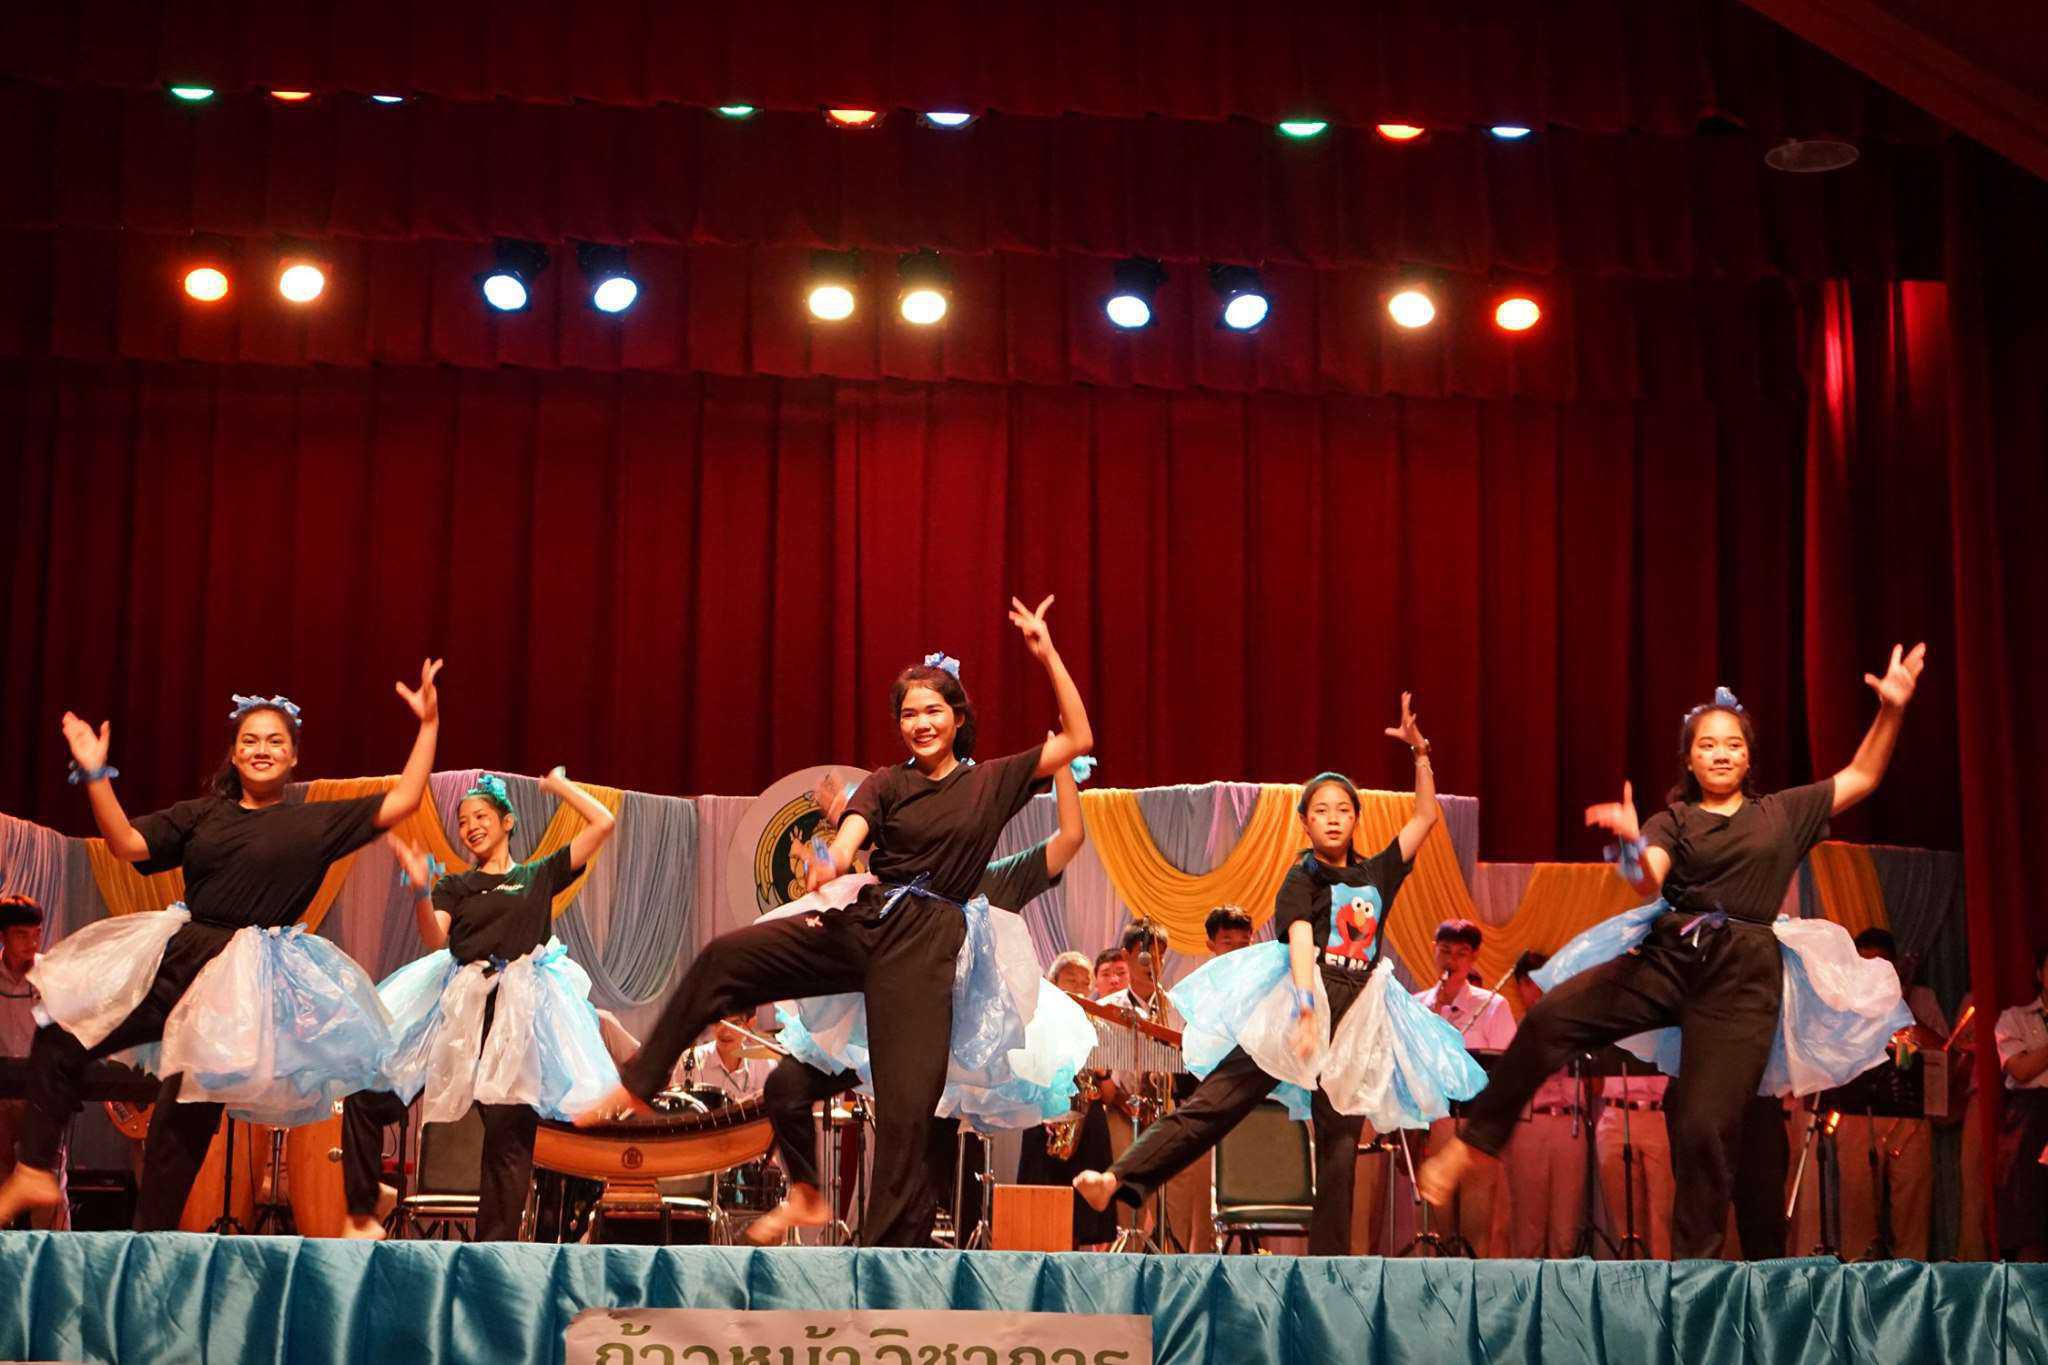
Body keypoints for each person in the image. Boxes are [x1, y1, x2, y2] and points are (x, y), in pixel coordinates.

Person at [582, 596, 1093, 1248]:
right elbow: (849, 837)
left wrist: (1046, 651)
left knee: (907, 1119)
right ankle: (638, 1084)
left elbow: (1077, 740)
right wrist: (828, 860)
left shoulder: (991, 781)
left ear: (958, 717)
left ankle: (879, 1259)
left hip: (926, 950)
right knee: (724, 957)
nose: (920, 723)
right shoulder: (885, 783)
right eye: (908, 714)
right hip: (868, 921)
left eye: (932, 710)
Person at [1421, 649, 1928, 1259]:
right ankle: (1478, 1142)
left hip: (1743, 979)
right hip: (1672, 954)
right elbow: (1648, 877)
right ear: (1689, 759)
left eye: (1733, 744)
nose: (1721, 753)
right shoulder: (1675, 820)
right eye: (1707, 744)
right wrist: (1633, 847)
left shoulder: (1782, 814)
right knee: (1552, 1015)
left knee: (1703, 1127)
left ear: (1749, 757)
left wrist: (1891, 711)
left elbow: (1862, 777)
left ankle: (1695, 1271)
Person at [0, 669, 443, 1229]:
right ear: (234, 754)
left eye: (275, 741)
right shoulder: (203, 815)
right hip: (181, 952)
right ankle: (34, 1169)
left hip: (241, 980)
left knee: (184, 1112)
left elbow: (404, 798)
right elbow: (127, 844)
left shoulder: (315, 822)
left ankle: (150, 1238)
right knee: (61, 1030)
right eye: (249, 740)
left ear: (293, 757)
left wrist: (429, 724)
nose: (262, 749)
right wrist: (94, 775)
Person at [1074, 694, 1485, 1255]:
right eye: (1321, 810)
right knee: (1216, 1102)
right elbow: (1300, 941)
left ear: (1356, 818)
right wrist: (1307, 1009)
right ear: (1305, 822)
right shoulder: (1303, 876)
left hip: (1359, 1017)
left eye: (1343, 809)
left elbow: (1425, 817)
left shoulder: (1378, 873)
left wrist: (1421, 753)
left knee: (1340, 1150)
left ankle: (1330, 1269)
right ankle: (1118, 1178)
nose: (1333, 817)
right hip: (1299, 1003)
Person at [749, 751, 1090, 1244]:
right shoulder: (901, 872)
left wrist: (1062, 762)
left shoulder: (999, 878)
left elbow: (1071, 838)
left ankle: (894, 1263)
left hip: (943, 1044)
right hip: (877, 1021)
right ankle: (807, 1194)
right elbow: (858, 847)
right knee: (785, 1087)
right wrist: (839, 822)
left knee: (919, 1174)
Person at [339, 767, 617, 1241]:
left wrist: (560, 786)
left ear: (507, 822)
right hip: (460, 1009)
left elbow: (603, 823)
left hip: (516, 1015)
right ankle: (366, 1203)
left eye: (481, 816)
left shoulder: (537, 875)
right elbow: (435, 938)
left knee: (508, 1137)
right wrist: (421, 891)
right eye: (464, 821)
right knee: (367, 1095)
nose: (471, 827)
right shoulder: (456, 886)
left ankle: (494, 1251)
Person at [1785, 926, 1944, 1258]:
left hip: (1911, 1119)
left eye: (1880, 964)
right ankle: (1860, 1277)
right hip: (1856, 1115)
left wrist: (1900, 1007)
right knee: (1858, 1210)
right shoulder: (1842, 1001)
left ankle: (1913, 1276)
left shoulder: (1921, 998)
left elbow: (1941, 1050)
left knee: (1912, 1210)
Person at [1405, 918, 1516, 1255]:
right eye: (1445, 951)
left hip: (1475, 1128)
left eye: (1461, 953)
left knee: (1475, 1230)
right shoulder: (1416, 1005)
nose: (1451, 960)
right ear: (1433, 951)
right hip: (1435, 1124)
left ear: (1474, 958)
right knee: (1438, 1230)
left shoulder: (1493, 1005)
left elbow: (1506, 1074)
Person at [1500, 951, 1584, 1259]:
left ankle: (1562, 1288)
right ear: (1521, 987)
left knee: (1566, 1230)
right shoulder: (1514, 1028)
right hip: (1530, 1124)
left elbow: (1595, 1082)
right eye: (1529, 984)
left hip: (1570, 1124)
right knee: (1528, 1229)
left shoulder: (1577, 1026)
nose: (1538, 990)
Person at [0, 898, 65, 1230]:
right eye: (21, 934)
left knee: (46, 1178)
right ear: (3, 936)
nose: (32, 942)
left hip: (40, 1094)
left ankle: (53, 1250)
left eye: (37, 933)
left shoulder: (49, 974)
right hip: (1, 1093)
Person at [1992, 947, 2048, 1258]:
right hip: (2030, 1116)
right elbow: (2021, 1070)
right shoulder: (2014, 1018)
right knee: (2029, 1212)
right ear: (2039, 974)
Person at [675, 1012, 774, 1103]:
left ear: (750, 1024)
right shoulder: (691, 1058)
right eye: (718, 1022)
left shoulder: (764, 1063)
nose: (726, 1033)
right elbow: (674, 1105)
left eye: (735, 1023)